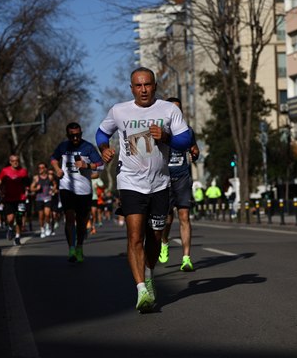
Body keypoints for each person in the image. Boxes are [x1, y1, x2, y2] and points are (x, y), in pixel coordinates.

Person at [96, 67, 193, 313]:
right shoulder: (119, 110)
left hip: (160, 183)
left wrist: (166, 137)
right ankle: (141, 289)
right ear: (131, 88)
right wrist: (104, 149)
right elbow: (101, 132)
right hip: (130, 181)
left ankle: (149, 275)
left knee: (155, 237)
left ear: (155, 86)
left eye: (147, 85)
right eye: (138, 86)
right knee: (135, 236)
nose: (143, 90)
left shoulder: (168, 110)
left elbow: (186, 140)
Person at [51, 122, 104, 263]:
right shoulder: (63, 146)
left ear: (81, 133)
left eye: (78, 135)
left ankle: (79, 246)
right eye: (72, 136)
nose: (75, 138)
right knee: (69, 218)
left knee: (81, 221)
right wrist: (57, 169)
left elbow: (101, 165)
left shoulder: (88, 147)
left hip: (84, 190)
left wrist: (87, 165)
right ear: (67, 135)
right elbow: (53, 159)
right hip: (66, 187)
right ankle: (71, 249)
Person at [158, 97, 199, 272]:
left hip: (182, 177)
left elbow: (194, 149)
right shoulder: (159, 130)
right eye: (172, 108)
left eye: (178, 109)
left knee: (184, 216)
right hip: (164, 178)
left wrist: (195, 153)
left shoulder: (187, 130)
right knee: (166, 219)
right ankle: (164, 241)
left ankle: (186, 258)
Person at [0, 154, 29, 246]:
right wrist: (1, 189)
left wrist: (27, 189)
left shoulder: (23, 171)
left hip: (21, 198)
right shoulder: (5, 171)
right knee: (10, 219)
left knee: (19, 217)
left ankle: (18, 237)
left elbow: (26, 182)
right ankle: (10, 228)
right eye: (13, 161)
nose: (15, 162)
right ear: (10, 162)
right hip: (9, 198)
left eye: (17, 160)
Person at [30, 162, 54, 238]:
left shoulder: (50, 177)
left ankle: (47, 226)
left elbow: (55, 184)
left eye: (42, 168)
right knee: (41, 216)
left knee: (47, 214)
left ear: (45, 169)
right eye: (39, 168)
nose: (40, 169)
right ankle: (42, 229)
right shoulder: (36, 178)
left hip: (48, 198)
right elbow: (31, 188)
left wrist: (52, 190)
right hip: (39, 198)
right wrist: (36, 189)